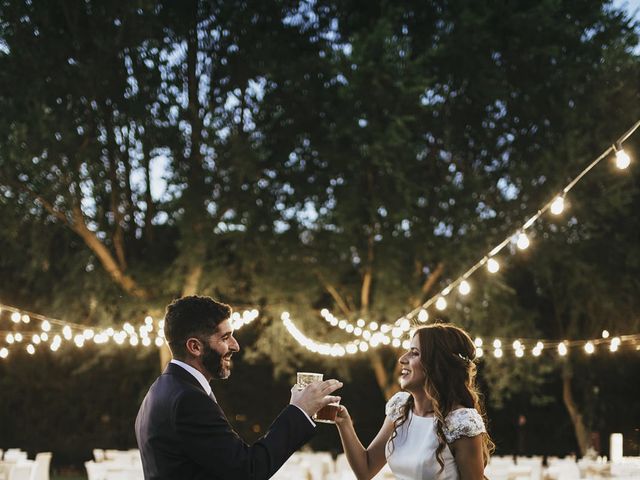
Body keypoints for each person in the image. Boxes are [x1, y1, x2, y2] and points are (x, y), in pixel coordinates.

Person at [135, 295, 342, 480]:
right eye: (225, 337)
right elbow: (248, 471)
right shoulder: (188, 400)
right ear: (195, 347)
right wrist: (299, 410)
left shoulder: (160, 390)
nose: (235, 345)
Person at [334, 323, 494, 480]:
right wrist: (344, 423)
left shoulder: (461, 422)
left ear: (436, 364)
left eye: (414, 353)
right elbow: (366, 469)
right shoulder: (400, 408)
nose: (402, 359)